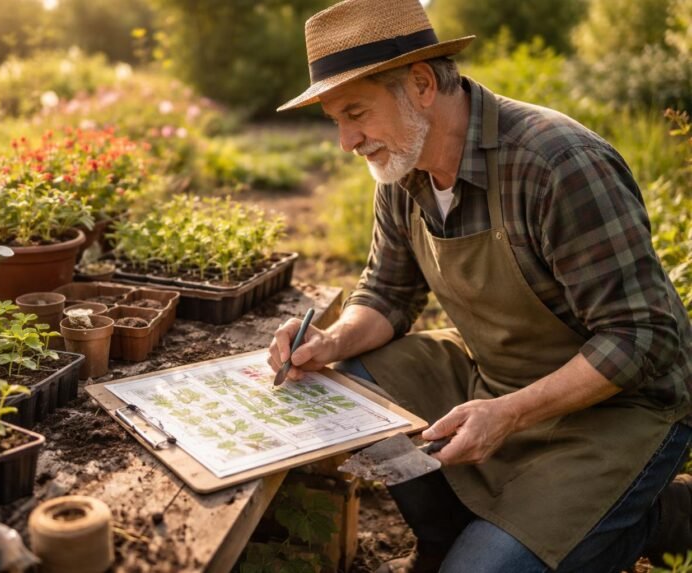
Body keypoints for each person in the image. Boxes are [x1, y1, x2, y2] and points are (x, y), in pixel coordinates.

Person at [266, 0, 692, 571]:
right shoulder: (402, 166)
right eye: (336, 121)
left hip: (618, 410)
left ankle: (658, 516)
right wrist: (332, 341)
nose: (347, 141)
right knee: (350, 378)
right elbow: (388, 293)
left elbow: (644, 337)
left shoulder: (557, 163)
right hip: (492, 376)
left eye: (356, 113)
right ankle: (443, 536)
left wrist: (509, 414)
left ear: (419, 84)